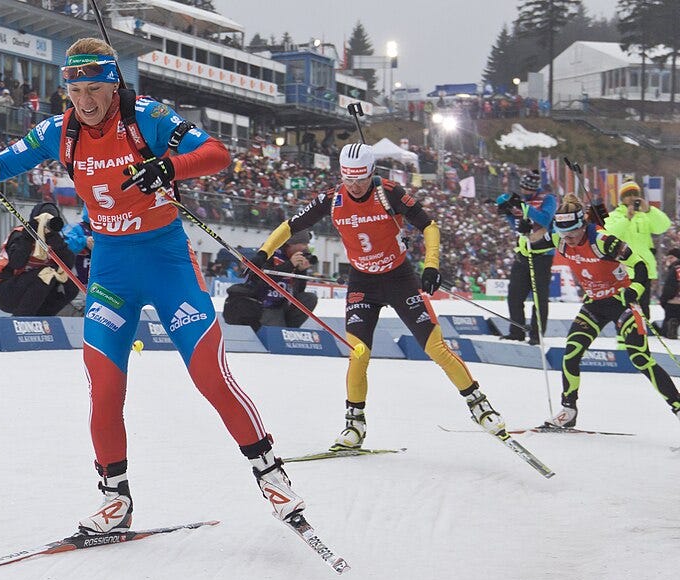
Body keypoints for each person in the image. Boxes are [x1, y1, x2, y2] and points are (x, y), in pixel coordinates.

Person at [0, 37, 304, 534]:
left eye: (96, 89)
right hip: (112, 270)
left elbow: (218, 153)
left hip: (166, 265)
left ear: (114, 84)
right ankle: (115, 499)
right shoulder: (60, 130)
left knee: (209, 375)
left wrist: (169, 164)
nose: (87, 102)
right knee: (105, 384)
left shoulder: (149, 117)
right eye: (77, 92)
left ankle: (270, 472)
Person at [253, 143, 508, 451]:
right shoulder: (332, 199)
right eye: (348, 178)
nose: (354, 185)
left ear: (372, 172)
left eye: (360, 178)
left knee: (435, 347)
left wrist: (431, 265)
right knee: (358, 353)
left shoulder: (390, 193)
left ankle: (479, 406)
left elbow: (429, 226)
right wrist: (263, 253)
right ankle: (354, 425)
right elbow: (290, 226)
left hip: (399, 278)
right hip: (363, 282)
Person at [537, 194, 680, 428]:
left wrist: (634, 289)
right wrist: (524, 231)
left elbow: (640, 266)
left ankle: (678, 406)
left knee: (640, 358)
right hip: (594, 304)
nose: (568, 240)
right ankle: (568, 410)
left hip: (621, 302)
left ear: (582, 225)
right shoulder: (559, 238)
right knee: (571, 354)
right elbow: (530, 245)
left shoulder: (603, 240)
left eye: (572, 234)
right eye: (564, 235)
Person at [496, 169, 557, 345]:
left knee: (539, 297)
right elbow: (516, 224)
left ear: (534, 188)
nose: (524, 192)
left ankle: (537, 335)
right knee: (514, 294)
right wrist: (507, 211)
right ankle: (517, 331)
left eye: (528, 189)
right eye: (523, 188)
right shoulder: (522, 200)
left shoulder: (548, 199)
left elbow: (545, 219)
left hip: (542, 254)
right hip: (523, 253)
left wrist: (524, 208)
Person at [0, 202, 80, 317]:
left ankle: (42, 317)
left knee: (70, 286)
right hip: (5, 289)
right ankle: (21, 319)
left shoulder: (54, 239)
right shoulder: (20, 234)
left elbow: (68, 266)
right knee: (45, 274)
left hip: (34, 290)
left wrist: (57, 243)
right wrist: (27, 238)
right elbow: (16, 263)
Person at [223, 229, 319, 330]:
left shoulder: (296, 258)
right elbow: (261, 281)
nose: (306, 248)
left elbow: (299, 291)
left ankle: (290, 331)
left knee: (309, 298)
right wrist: (289, 265)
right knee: (277, 334)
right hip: (264, 304)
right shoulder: (270, 254)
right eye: (304, 244)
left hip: (282, 304)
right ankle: (281, 331)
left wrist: (301, 271)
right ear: (291, 244)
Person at [602, 181, 672, 319]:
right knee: (625, 309)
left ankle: (642, 336)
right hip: (623, 271)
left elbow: (663, 226)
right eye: (628, 195)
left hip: (643, 270)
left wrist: (649, 210)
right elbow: (608, 234)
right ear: (622, 198)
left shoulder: (645, 215)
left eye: (635, 194)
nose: (632, 197)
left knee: (643, 310)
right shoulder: (614, 216)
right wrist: (627, 218)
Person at [657, 248, 680, 339]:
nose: (668, 260)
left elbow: (669, 288)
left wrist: (663, 300)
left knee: (664, 331)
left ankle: (670, 327)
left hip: (674, 304)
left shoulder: (675, 269)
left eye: (671, 257)